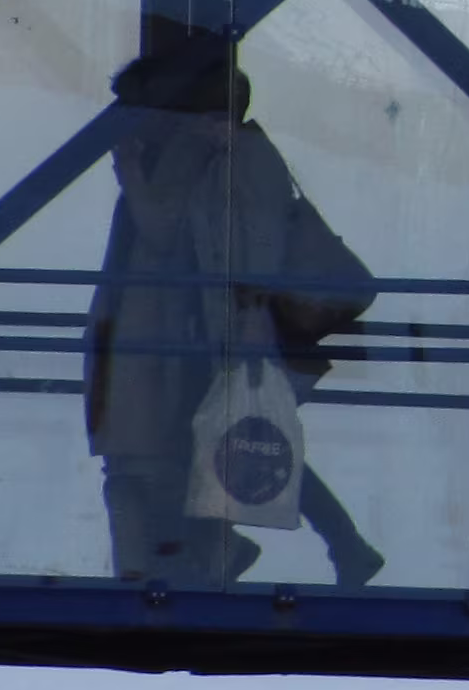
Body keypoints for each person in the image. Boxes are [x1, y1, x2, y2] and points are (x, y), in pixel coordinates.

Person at [90, 48, 380, 587]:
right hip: (217, 327)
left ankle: (335, 545)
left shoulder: (242, 156)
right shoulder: (229, 155)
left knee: (234, 440)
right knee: (220, 440)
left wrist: (131, 175)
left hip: (235, 328)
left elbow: (237, 242)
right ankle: (243, 548)